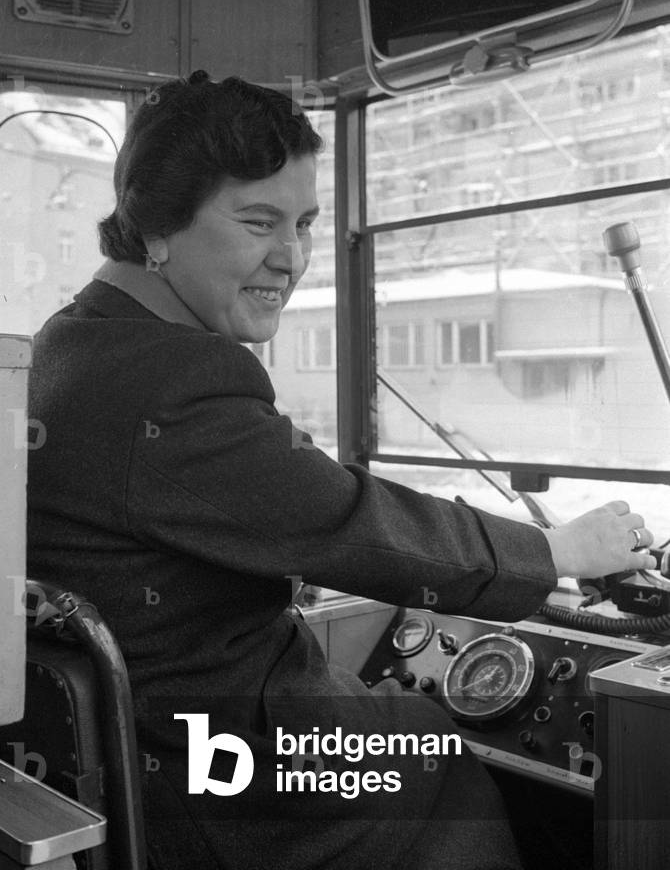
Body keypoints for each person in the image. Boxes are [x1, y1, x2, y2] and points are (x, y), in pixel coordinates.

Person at [27, 72, 655, 870]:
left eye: (308, 224)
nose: (291, 259)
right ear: (157, 227)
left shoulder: (69, 340)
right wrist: (559, 552)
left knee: (397, 714)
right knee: (435, 751)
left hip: (135, 766)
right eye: (258, 222)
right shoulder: (173, 376)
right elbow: (346, 519)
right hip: (218, 779)